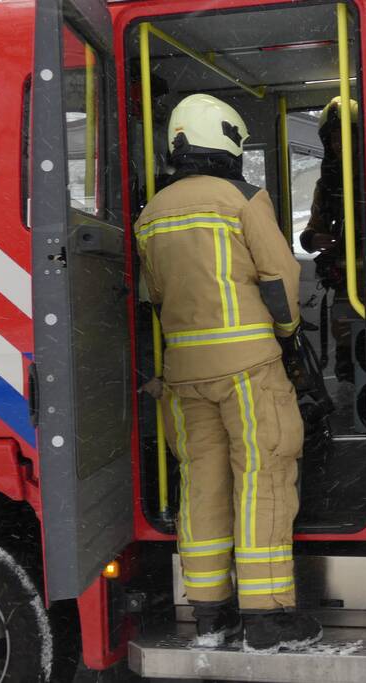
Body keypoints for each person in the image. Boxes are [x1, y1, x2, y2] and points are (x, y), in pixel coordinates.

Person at [133, 94, 322, 652]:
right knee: (262, 477)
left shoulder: (151, 214)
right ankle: (267, 619)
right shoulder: (240, 198)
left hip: (184, 374)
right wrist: (287, 337)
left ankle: (211, 616)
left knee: (203, 485)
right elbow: (279, 278)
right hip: (247, 368)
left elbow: (156, 297)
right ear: (229, 143)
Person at [298, 96, 362, 386]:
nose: (339, 143)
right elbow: (311, 230)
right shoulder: (325, 186)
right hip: (343, 285)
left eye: (345, 136)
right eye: (333, 138)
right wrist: (314, 239)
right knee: (350, 364)